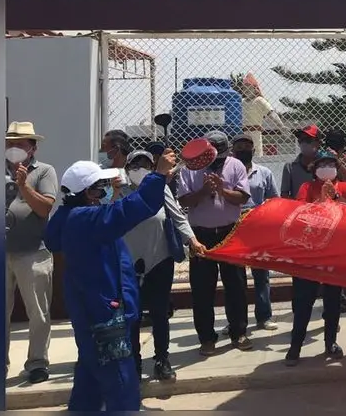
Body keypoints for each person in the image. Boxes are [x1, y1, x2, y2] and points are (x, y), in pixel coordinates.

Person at [43, 150, 177, 411]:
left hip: (94, 309)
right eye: (100, 186)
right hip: (104, 313)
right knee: (120, 380)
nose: (105, 190)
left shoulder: (71, 217)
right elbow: (130, 209)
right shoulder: (85, 219)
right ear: (86, 192)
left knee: (90, 375)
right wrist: (157, 175)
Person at [121, 150, 206, 382]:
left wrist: (192, 240)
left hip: (159, 258)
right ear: (127, 169)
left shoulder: (161, 189)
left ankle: (162, 359)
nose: (141, 168)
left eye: (146, 164)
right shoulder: (120, 192)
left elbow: (178, 216)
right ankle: (134, 361)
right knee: (132, 315)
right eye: (135, 164)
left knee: (159, 313)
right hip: (129, 262)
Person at [176, 131, 253, 356]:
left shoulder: (236, 165)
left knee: (236, 286)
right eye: (212, 158)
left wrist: (222, 190)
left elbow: (243, 197)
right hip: (200, 236)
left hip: (230, 233)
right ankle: (207, 338)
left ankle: (238, 332)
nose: (216, 163)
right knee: (202, 289)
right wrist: (203, 191)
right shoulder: (189, 169)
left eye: (220, 158)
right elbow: (182, 200)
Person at [285, 148, 346, 366]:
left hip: (334, 252)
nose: (327, 169)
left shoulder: (344, 187)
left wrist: (336, 197)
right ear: (314, 169)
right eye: (322, 165)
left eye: (331, 165)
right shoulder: (306, 188)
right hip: (309, 253)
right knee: (303, 302)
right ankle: (295, 346)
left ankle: (330, 343)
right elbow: (300, 213)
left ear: (337, 168)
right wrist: (320, 199)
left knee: (333, 301)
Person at [281, 125, 346, 313]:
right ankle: (300, 315)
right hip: (305, 229)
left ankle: (333, 310)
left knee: (332, 276)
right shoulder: (291, 168)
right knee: (303, 281)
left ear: (317, 142)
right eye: (301, 141)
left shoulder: (329, 165)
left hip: (332, 229)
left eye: (308, 140)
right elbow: (286, 197)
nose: (304, 144)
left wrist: (336, 162)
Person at [4, 121, 57, 384]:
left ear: (32, 148)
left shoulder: (44, 172)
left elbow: (45, 208)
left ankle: (37, 363)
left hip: (33, 253)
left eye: (20, 144)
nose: (13, 148)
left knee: (37, 312)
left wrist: (24, 185)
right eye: (9, 143)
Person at [231, 134, 280, 331]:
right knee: (235, 277)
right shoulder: (228, 173)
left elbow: (274, 200)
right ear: (233, 151)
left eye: (247, 146)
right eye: (239, 146)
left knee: (261, 274)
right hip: (234, 228)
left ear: (253, 150)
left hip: (258, 229)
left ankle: (264, 316)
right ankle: (236, 320)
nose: (244, 150)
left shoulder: (265, 172)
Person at [234, 72, 288, 153]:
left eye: (249, 87)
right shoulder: (241, 102)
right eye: (244, 88)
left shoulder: (259, 100)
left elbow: (271, 113)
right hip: (242, 133)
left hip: (255, 132)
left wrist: (281, 126)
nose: (246, 90)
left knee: (256, 153)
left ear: (255, 88)